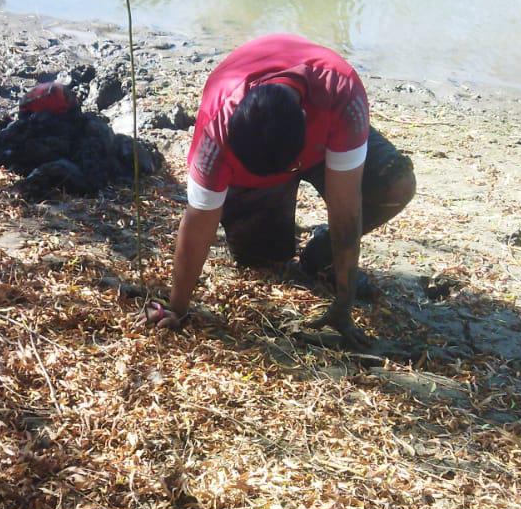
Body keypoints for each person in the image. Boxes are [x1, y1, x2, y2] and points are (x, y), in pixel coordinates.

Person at [145, 33, 416, 349]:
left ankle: (321, 253)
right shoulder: (216, 131)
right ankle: (266, 205)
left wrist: (345, 300)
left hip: (320, 142)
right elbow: (198, 223)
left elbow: (346, 207)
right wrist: (177, 307)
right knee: (261, 259)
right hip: (260, 167)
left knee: (394, 184)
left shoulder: (341, 95)